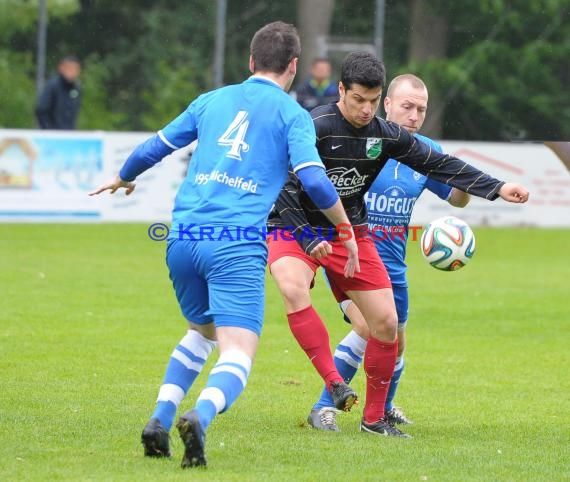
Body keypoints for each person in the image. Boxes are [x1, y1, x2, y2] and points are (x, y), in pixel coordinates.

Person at [88, 21, 359, 469]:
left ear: (251, 62)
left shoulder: (211, 100)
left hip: (184, 237)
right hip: (234, 243)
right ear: (294, 67)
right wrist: (345, 230)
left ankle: (159, 418)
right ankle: (202, 415)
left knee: (202, 332)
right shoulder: (292, 114)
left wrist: (123, 176)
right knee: (238, 349)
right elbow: (312, 178)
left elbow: (155, 146)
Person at [267, 52, 529, 438]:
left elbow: (440, 165)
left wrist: (498, 187)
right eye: (359, 100)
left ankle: (374, 419)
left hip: (353, 235)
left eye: (373, 101)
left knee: (387, 325)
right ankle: (331, 392)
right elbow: (284, 184)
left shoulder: (386, 136)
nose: (366, 109)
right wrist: (306, 237)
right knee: (303, 293)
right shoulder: (314, 125)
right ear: (342, 91)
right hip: (297, 225)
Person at [307, 74, 471, 431]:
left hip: (394, 265)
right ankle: (323, 406)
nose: (414, 115)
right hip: (352, 258)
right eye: (407, 106)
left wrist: (462, 182)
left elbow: (456, 198)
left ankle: (384, 407)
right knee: (368, 327)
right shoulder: (363, 142)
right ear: (388, 104)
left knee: (396, 342)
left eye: (421, 109)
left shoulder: (424, 151)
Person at [35, 56, 82, 130]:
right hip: (52, 135)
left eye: (74, 69)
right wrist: (49, 130)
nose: (71, 71)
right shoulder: (52, 86)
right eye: (69, 68)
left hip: (69, 134)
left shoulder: (77, 88)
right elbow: (41, 110)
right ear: (61, 68)